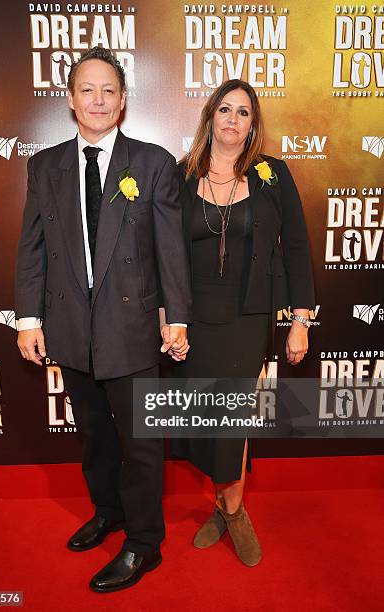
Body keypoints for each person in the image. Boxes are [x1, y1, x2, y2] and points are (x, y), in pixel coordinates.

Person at [15, 47, 192, 593]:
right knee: (94, 435)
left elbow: (170, 249)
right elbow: (33, 246)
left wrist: (177, 317)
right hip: (70, 326)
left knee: (140, 442)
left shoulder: (153, 162)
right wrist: (27, 317)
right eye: (87, 90)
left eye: (108, 91)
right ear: (70, 100)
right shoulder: (45, 166)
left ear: (121, 102)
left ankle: (144, 543)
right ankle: (107, 511)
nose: (97, 100)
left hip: (133, 326)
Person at [165, 79, 315, 566]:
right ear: (210, 117)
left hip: (248, 318)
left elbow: (295, 249)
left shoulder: (273, 174)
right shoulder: (181, 175)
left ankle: (235, 512)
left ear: (253, 124)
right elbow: (160, 254)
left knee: (231, 421)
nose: (232, 119)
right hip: (194, 321)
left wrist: (300, 320)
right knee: (206, 420)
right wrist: (170, 318)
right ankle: (223, 505)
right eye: (224, 109)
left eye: (243, 112)